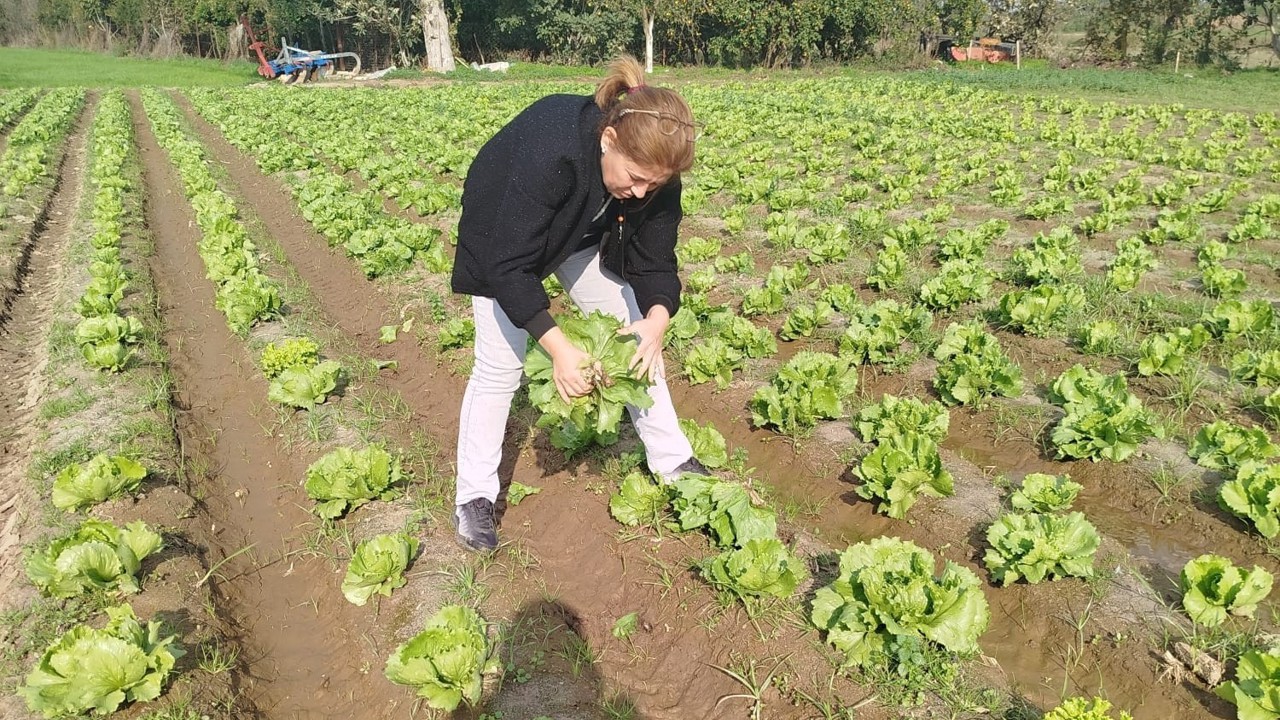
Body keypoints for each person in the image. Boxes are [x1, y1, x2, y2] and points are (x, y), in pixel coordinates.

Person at [449, 56, 709, 552]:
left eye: (650, 186)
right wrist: (559, 348)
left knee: (634, 339)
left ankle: (674, 462)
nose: (639, 193)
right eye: (633, 178)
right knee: (499, 367)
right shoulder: (552, 146)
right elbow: (509, 265)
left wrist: (656, 320)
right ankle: (474, 499)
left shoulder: (655, 173)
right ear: (608, 139)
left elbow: (656, 261)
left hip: (581, 231)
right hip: (503, 233)